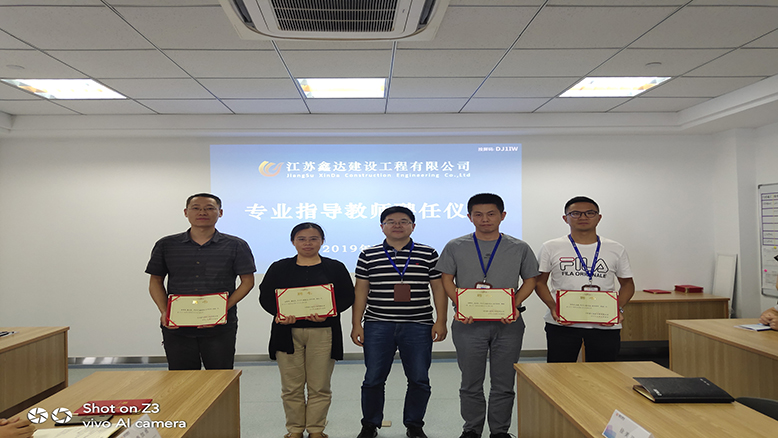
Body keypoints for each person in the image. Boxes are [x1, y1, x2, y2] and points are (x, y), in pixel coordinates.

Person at [435, 193, 539, 438]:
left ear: (502, 216)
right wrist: (461, 305)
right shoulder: (455, 246)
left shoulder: (519, 247)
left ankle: (499, 431)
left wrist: (514, 305)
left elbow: (531, 280)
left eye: (491, 214)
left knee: (504, 382)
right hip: (468, 324)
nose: (485, 219)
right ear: (469, 217)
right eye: (478, 215)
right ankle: (471, 429)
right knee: (470, 381)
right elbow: (446, 280)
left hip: (508, 324)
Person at [351, 206, 448, 438]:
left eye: (403, 221)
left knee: (419, 379)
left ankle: (414, 425)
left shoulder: (428, 253)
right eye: (391, 221)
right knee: (373, 378)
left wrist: (441, 321)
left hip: (418, 324)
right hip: (378, 324)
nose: (397, 225)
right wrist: (356, 324)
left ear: (413, 226)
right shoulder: (368, 254)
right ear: (382, 226)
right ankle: (370, 424)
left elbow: (438, 288)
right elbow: (361, 290)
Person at [259, 222, 355, 438]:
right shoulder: (279, 267)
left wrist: (329, 313)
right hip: (286, 333)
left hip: (324, 332)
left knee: (319, 385)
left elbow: (347, 296)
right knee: (291, 386)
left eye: (313, 239)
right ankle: (294, 430)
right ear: (293, 242)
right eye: (301, 239)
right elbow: (266, 296)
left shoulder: (335, 267)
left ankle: (316, 429)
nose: (308, 243)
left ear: (322, 241)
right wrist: (280, 314)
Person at [146, 193, 256, 370]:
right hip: (178, 324)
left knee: (220, 376)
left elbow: (248, 281)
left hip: (220, 325)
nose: (202, 212)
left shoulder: (236, 245)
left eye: (209, 208)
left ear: (220, 212)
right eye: (196, 208)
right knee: (181, 378)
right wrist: (165, 310)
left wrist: (222, 308)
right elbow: (155, 281)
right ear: (186, 212)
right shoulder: (166, 244)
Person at [534, 196, 635, 363]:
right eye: (575, 213)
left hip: (604, 323)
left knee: (604, 373)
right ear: (565, 218)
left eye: (590, 213)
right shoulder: (550, 247)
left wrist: (618, 309)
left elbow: (628, 284)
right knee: (560, 372)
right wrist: (553, 306)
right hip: (562, 323)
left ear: (599, 217)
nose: (583, 217)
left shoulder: (616, 248)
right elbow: (539, 282)